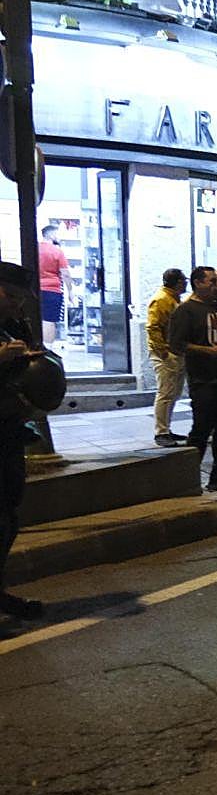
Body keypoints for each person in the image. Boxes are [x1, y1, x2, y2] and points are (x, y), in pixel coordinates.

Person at [0, 264, 53, 619]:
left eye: (22, 299)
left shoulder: (15, 324)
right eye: (12, 297)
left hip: (8, 431)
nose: (18, 305)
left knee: (8, 516)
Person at [167, 267, 217, 491]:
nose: (216, 286)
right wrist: (209, 351)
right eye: (212, 282)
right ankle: (187, 479)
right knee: (201, 429)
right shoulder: (186, 311)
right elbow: (177, 344)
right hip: (204, 379)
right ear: (198, 283)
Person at [148, 269, 188, 446]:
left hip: (174, 351)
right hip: (166, 353)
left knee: (173, 392)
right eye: (184, 280)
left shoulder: (172, 298)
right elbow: (153, 327)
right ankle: (161, 432)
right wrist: (163, 351)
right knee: (165, 392)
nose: (186, 284)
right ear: (178, 282)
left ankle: (166, 429)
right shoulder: (162, 299)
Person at [36, 225, 66, 345]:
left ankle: (37, 344)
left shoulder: (34, 249)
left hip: (35, 288)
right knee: (49, 320)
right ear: (52, 235)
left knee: (36, 318)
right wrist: (71, 292)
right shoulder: (57, 251)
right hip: (52, 289)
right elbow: (65, 273)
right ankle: (48, 348)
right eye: (58, 233)